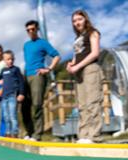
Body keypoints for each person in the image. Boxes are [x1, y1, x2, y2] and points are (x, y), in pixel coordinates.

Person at [66, 10, 104, 144]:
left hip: (90, 70)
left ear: (85, 19)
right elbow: (76, 55)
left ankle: (95, 137)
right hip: (79, 73)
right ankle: (84, 135)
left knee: (93, 103)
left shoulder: (93, 32)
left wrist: (78, 66)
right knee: (82, 105)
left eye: (79, 19)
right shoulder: (77, 38)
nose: (77, 23)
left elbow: (94, 53)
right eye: (74, 21)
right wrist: (71, 64)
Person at [22, 20, 60, 141]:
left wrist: (48, 69)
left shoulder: (43, 43)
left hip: (38, 76)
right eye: (28, 30)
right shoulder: (26, 45)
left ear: (37, 29)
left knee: (37, 104)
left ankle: (37, 135)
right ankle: (29, 132)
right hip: (25, 76)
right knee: (25, 106)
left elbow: (57, 56)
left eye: (33, 29)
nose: (31, 31)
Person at [0, 50, 25, 138]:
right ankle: (8, 133)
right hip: (4, 97)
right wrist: (0, 81)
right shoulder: (3, 70)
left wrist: (21, 93)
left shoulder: (16, 69)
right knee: (6, 116)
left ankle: (15, 133)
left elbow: (21, 82)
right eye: (8, 59)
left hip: (12, 95)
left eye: (12, 59)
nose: (10, 61)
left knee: (13, 116)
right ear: (4, 60)